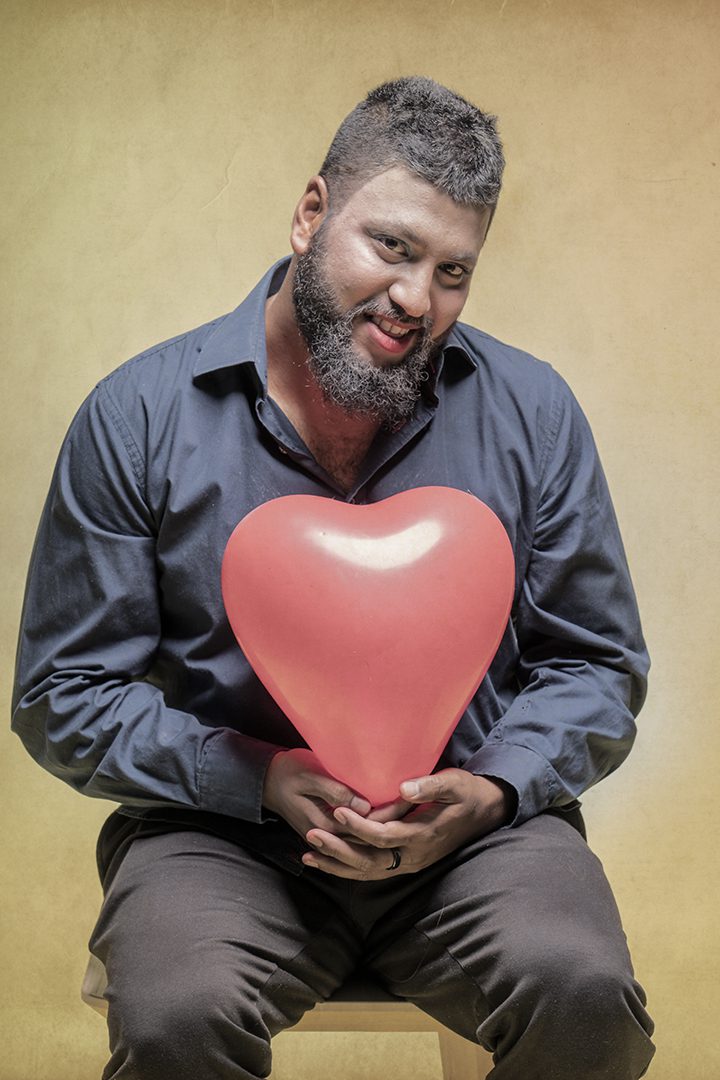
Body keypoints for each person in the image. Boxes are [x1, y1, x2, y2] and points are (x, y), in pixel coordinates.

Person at [12, 77, 655, 1079]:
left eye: (452, 271)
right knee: (177, 1016)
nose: (416, 300)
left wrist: (491, 790)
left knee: (584, 994)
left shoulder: (533, 414)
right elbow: (64, 693)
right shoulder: (136, 418)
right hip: (223, 839)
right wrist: (258, 779)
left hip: (475, 842)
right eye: (392, 247)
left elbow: (598, 666)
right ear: (312, 214)